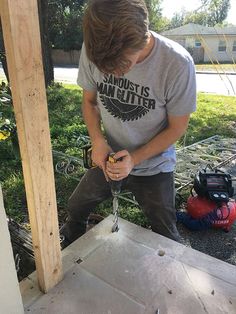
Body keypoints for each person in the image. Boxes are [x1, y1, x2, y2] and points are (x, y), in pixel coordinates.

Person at [60, 0, 196, 246]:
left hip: (155, 165)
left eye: (121, 66)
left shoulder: (177, 64)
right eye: (106, 68)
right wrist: (97, 141)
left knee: (166, 231)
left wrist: (135, 158)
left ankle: (168, 273)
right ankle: (71, 239)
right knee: (76, 205)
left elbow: (177, 127)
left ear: (143, 39)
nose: (112, 73)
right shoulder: (93, 49)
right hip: (108, 157)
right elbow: (89, 102)